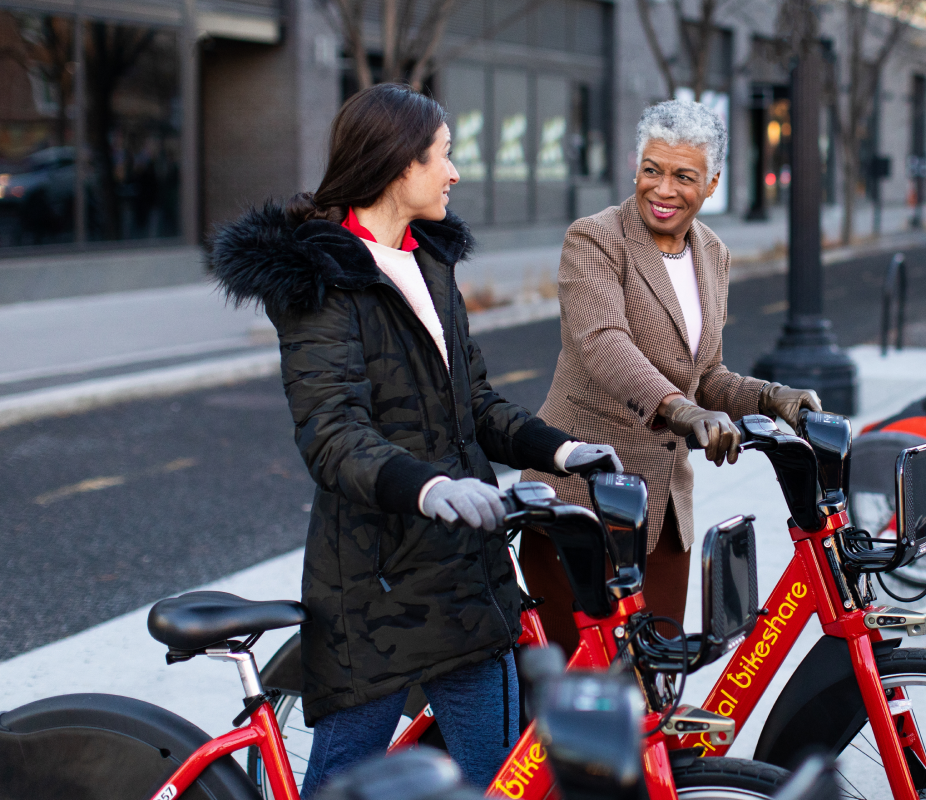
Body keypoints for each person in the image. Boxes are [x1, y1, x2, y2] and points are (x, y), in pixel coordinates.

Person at [208, 84, 620, 797]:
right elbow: (333, 435)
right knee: (347, 780)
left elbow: (475, 404)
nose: (455, 173)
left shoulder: (427, 260)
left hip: (466, 575)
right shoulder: (322, 284)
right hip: (377, 587)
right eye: (444, 156)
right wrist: (432, 487)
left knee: (498, 780)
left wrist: (562, 451)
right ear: (399, 166)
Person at [519, 99, 822, 654]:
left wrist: (769, 397)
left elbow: (703, 375)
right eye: (652, 170)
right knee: (574, 693)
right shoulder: (595, 238)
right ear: (635, 167)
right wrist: (680, 409)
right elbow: (602, 343)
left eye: (684, 176)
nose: (663, 190)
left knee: (652, 684)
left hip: (662, 512)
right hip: (581, 499)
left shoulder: (713, 253)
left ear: (711, 183)